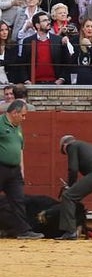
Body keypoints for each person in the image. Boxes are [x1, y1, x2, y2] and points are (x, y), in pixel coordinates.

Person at [0, 100, 41, 239]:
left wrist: (21, 168)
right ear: (14, 113)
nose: (24, 118)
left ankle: (23, 231)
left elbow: (20, 149)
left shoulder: (18, 127)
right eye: (22, 115)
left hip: (14, 171)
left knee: (18, 200)